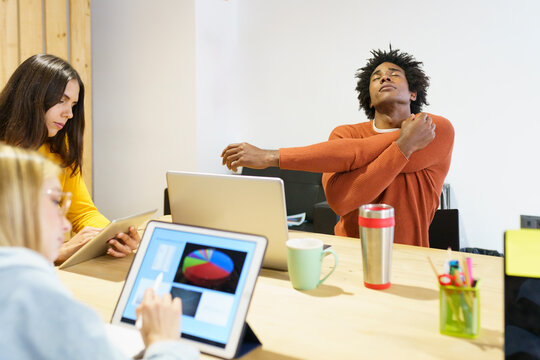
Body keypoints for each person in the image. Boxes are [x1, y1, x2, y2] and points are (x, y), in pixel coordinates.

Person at [221, 47, 454, 247]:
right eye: (376, 77)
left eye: (394, 74)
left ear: (413, 93)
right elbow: (342, 201)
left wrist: (271, 157)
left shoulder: (433, 129)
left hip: (411, 257)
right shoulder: (346, 134)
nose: (385, 78)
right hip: (349, 254)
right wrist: (405, 144)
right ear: (369, 99)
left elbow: (356, 152)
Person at [0, 143, 199, 359]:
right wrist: (164, 342)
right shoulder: (35, 294)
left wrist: (107, 235)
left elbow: (84, 211)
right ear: (15, 211)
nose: (65, 225)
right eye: (56, 202)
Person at [0, 54, 139, 264]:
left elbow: (83, 213)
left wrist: (111, 237)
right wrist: (58, 252)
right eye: (61, 100)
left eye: (73, 104)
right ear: (31, 96)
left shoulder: (59, 150)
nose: (69, 114)